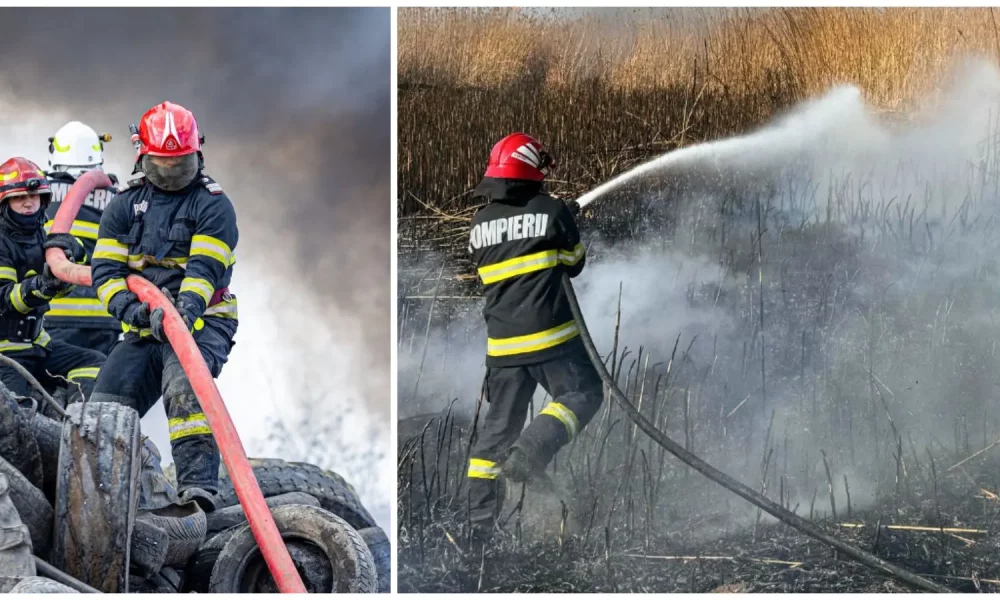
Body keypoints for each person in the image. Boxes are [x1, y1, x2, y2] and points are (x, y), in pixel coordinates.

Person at [89, 101, 238, 511]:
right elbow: (105, 275)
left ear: (197, 154)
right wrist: (133, 313)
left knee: (184, 387)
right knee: (102, 411)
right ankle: (102, 500)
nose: (172, 174)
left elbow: (204, 271)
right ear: (142, 156)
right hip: (141, 326)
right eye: (163, 165)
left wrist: (181, 314)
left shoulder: (213, 205)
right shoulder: (123, 205)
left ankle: (198, 494)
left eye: (180, 164)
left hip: (204, 322)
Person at [465, 132, 604, 540]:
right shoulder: (551, 210)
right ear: (531, 169)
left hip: (502, 351)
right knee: (584, 394)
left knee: (493, 439)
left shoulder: (479, 223)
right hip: (551, 340)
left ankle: (477, 533)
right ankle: (529, 453)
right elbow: (574, 264)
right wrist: (566, 222)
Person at [0, 156, 106, 403]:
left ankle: (81, 432)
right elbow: (4, 300)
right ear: (5, 202)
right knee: (16, 422)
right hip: (5, 355)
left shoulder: (40, 234)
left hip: (37, 345)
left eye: (33, 197)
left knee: (95, 364)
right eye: (19, 198)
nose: (28, 203)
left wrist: (69, 264)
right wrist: (40, 287)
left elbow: (55, 291)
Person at [43, 121, 123, 357]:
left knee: (48, 385)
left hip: (51, 314)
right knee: (98, 386)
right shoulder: (119, 199)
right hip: (104, 316)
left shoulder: (32, 196)